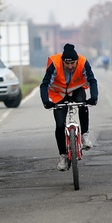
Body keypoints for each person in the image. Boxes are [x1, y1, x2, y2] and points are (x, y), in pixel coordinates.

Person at [40, 43, 98, 171]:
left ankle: (84, 135)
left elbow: (92, 80)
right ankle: (63, 156)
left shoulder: (83, 62)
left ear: (77, 61)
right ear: (63, 62)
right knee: (60, 125)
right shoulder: (55, 64)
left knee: (83, 103)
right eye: (67, 64)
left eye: (73, 63)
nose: (70, 66)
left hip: (76, 90)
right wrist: (46, 101)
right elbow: (44, 85)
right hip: (59, 94)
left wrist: (94, 97)